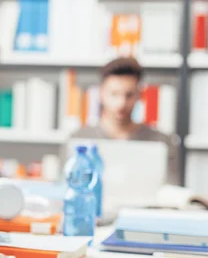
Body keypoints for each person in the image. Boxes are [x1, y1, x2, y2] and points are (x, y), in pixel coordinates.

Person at [68, 57, 179, 185]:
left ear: (139, 95)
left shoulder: (161, 141)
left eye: (129, 95)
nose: (121, 103)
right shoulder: (78, 140)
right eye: (114, 94)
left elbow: (171, 192)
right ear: (101, 94)